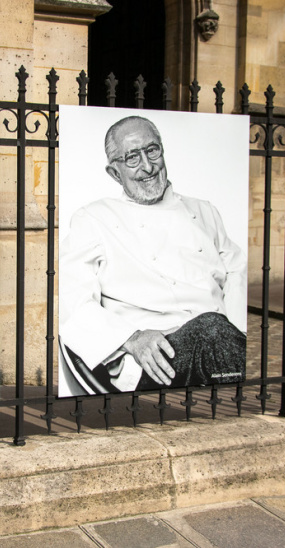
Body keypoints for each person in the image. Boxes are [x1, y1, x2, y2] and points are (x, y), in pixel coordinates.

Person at [59, 115, 247, 394]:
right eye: (132, 158)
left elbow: (238, 275)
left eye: (152, 150)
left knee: (216, 331)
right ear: (114, 173)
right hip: (155, 358)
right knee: (213, 330)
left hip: (218, 340)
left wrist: (237, 331)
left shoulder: (205, 211)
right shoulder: (93, 219)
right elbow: (71, 300)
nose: (147, 166)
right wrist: (132, 339)